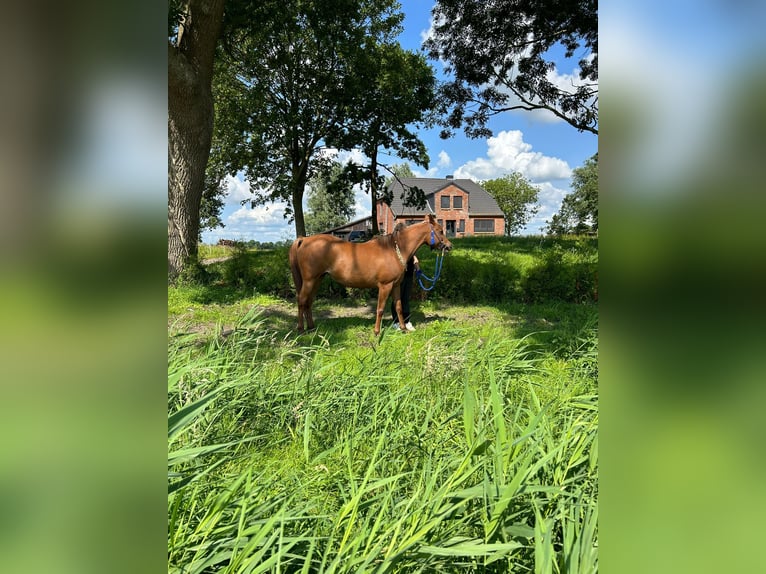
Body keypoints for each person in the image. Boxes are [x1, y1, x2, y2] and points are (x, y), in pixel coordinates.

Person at [391, 255, 419, 331]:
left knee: (405, 299)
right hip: (399, 274)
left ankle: (406, 321)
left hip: (409, 273)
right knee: (397, 298)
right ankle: (396, 322)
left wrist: (415, 259)